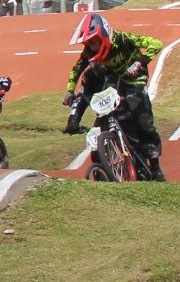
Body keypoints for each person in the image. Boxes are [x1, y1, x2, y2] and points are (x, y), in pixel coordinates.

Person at [62, 12, 166, 180]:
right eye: (88, 43)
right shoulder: (89, 53)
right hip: (114, 81)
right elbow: (76, 69)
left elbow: (155, 43)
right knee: (107, 113)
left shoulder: (123, 39)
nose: (92, 47)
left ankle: (155, 166)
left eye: (94, 42)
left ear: (104, 35)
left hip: (135, 80)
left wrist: (139, 62)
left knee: (143, 121)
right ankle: (111, 158)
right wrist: (69, 90)